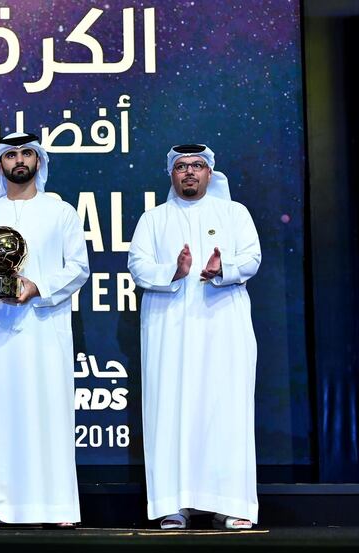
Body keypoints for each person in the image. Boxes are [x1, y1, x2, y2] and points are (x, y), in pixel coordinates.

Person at [0, 132, 90, 528]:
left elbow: (78, 267)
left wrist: (38, 288)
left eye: (26, 153)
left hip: (42, 329)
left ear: (38, 161)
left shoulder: (60, 211)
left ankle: (55, 507)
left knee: (45, 411)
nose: (19, 160)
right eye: (10, 154)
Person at [127, 144, 261, 530]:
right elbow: (137, 265)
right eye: (182, 167)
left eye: (197, 166)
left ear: (209, 173)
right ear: (171, 174)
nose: (189, 172)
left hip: (224, 329)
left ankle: (232, 504)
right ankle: (174, 505)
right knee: (170, 410)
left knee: (227, 410)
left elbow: (251, 257)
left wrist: (224, 268)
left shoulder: (235, 214)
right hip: (169, 331)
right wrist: (174, 270)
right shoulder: (154, 219)